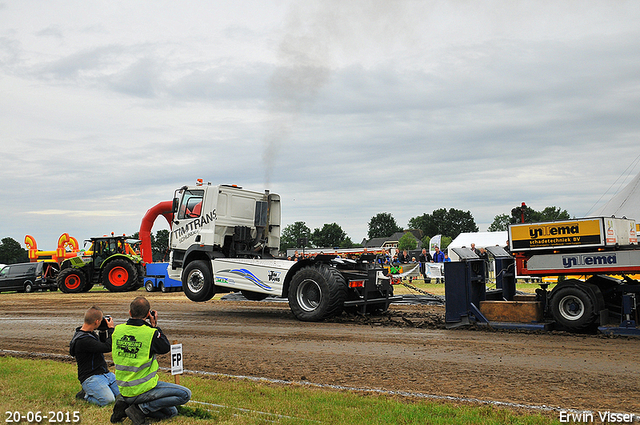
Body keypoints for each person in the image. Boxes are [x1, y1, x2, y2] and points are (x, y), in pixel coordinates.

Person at [112, 297, 191, 425]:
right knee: (185, 394)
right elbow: (165, 347)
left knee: (172, 412)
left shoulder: (118, 330)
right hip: (142, 388)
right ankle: (139, 409)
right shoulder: (150, 333)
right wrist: (155, 326)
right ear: (148, 314)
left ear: (129, 312)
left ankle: (125, 404)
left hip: (123, 387)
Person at [69, 306, 120, 407]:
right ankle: (85, 395)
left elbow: (100, 345)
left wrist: (102, 331)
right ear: (96, 322)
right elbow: (107, 347)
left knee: (123, 395)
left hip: (105, 374)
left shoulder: (88, 333)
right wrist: (111, 330)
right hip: (90, 377)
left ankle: (98, 390)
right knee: (108, 400)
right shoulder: (83, 340)